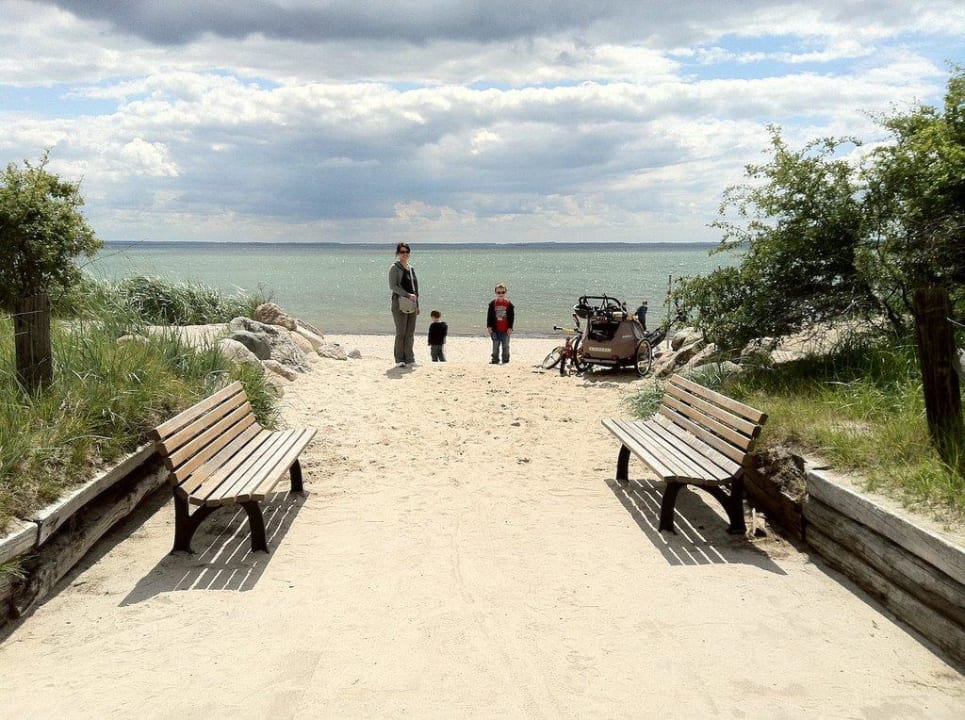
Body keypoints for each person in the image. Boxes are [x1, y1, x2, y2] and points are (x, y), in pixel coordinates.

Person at [388, 242, 419, 367]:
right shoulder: (394, 268)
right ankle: (399, 359)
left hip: (412, 304)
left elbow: (415, 288)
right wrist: (407, 295)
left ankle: (410, 359)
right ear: (398, 253)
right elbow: (393, 286)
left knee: (410, 333)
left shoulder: (411, 269)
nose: (405, 254)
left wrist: (417, 305)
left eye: (407, 251)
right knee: (401, 332)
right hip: (399, 303)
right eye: (402, 252)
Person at [486, 282, 515, 364]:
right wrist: (489, 327)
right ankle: (495, 359)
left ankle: (505, 359)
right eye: (498, 292)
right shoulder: (492, 304)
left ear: (506, 292)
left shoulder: (509, 304)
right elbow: (489, 316)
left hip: (506, 330)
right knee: (495, 346)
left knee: (506, 346)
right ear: (495, 293)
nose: (501, 294)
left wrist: (510, 328)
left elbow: (511, 317)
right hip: (495, 329)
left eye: (503, 292)